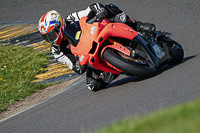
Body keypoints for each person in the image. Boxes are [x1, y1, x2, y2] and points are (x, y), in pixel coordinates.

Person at [38, 3, 156, 91]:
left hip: (98, 34)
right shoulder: (56, 50)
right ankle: (119, 66)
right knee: (92, 85)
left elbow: (89, 9)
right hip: (90, 56)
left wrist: (97, 10)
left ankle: (138, 25)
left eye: (51, 34)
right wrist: (78, 66)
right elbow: (72, 64)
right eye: (47, 37)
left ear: (60, 25)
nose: (51, 39)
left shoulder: (71, 18)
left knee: (109, 8)